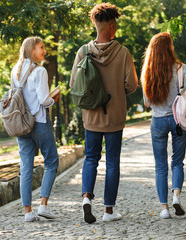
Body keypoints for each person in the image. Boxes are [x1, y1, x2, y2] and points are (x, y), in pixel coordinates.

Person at [70, 2, 138, 224]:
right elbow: (131, 85)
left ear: (94, 24)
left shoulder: (83, 52)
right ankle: (109, 211)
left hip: (91, 117)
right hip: (115, 117)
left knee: (91, 158)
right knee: (113, 162)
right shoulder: (123, 53)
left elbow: (74, 84)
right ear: (110, 26)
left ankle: (87, 198)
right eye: (115, 24)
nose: (116, 27)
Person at [141, 32, 186, 219]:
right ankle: (176, 196)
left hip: (158, 120)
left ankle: (164, 209)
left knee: (160, 165)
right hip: (179, 120)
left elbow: (147, 102)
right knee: (177, 161)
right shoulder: (181, 68)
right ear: (169, 47)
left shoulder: (148, 70)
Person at [12, 36, 60, 222]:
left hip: (21, 125)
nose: (44, 51)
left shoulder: (14, 71)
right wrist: (53, 99)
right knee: (51, 162)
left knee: (26, 168)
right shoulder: (40, 71)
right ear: (32, 49)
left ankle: (28, 212)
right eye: (41, 47)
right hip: (39, 122)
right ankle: (43, 206)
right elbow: (43, 100)